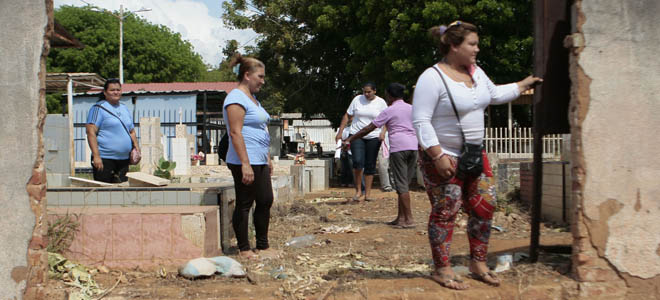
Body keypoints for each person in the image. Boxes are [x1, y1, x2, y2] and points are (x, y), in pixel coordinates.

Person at [412, 21, 542, 290]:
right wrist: (437, 155)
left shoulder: (477, 73)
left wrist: (524, 83)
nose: (477, 49)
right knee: (446, 210)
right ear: (453, 45)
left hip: (473, 153)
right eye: (472, 44)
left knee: (485, 205)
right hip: (443, 155)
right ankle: (442, 268)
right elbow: (421, 120)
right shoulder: (432, 77)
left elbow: (494, 95)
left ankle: (478, 262)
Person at [223, 53, 276, 260]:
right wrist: (245, 164)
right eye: (260, 77)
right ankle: (244, 248)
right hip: (244, 160)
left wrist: (268, 157)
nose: (263, 81)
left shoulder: (253, 99)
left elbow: (261, 129)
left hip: (259, 158)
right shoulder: (235, 98)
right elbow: (235, 133)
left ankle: (262, 245)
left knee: (265, 200)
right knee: (245, 203)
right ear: (247, 75)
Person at [345, 83, 419, 228]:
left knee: (401, 185)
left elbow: (369, 128)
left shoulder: (389, 110)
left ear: (390, 96)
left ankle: (409, 219)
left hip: (399, 148)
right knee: (404, 184)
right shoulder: (412, 109)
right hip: (413, 147)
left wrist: (350, 138)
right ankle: (400, 218)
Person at [335, 82, 388, 203]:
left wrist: (383, 132)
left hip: (373, 136)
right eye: (364, 91)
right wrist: (340, 132)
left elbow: (386, 119)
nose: (366, 94)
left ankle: (368, 194)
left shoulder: (381, 102)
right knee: (357, 162)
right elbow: (347, 116)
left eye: (369, 92)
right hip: (356, 135)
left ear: (375, 91)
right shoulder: (357, 100)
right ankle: (359, 190)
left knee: (370, 164)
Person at [86, 78, 139, 183]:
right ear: (105, 92)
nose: (116, 92)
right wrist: (96, 156)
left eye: (118, 90)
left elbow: (131, 131)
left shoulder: (124, 108)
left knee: (122, 191)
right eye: (112, 90)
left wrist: (137, 149)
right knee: (104, 193)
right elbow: (91, 132)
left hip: (124, 160)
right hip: (105, 159)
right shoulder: (98, 108)